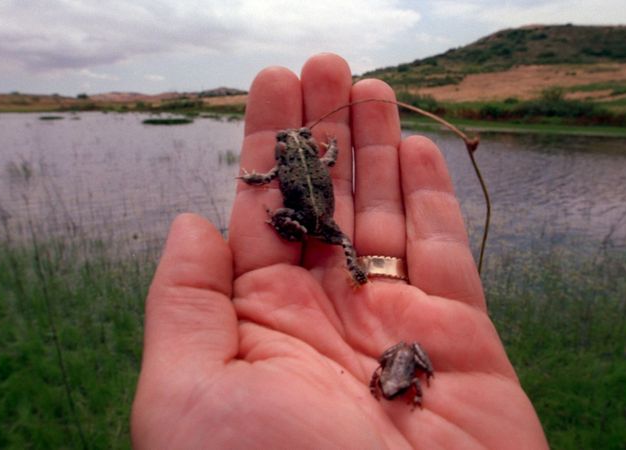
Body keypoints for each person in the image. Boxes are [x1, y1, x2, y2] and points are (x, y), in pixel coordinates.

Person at [131, 53, 548, 449]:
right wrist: (328, 147)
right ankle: (356, 270)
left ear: (285, 152)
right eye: (287, 139)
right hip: (325, 220)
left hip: (301, 215)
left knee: (288, 220)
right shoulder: (313, 157)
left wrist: (260, 186)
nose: (287, 141)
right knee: (345, 240)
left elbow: (260, 180)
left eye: (289, 139)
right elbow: (330, 157)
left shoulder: (283, 167)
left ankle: (315, 246)